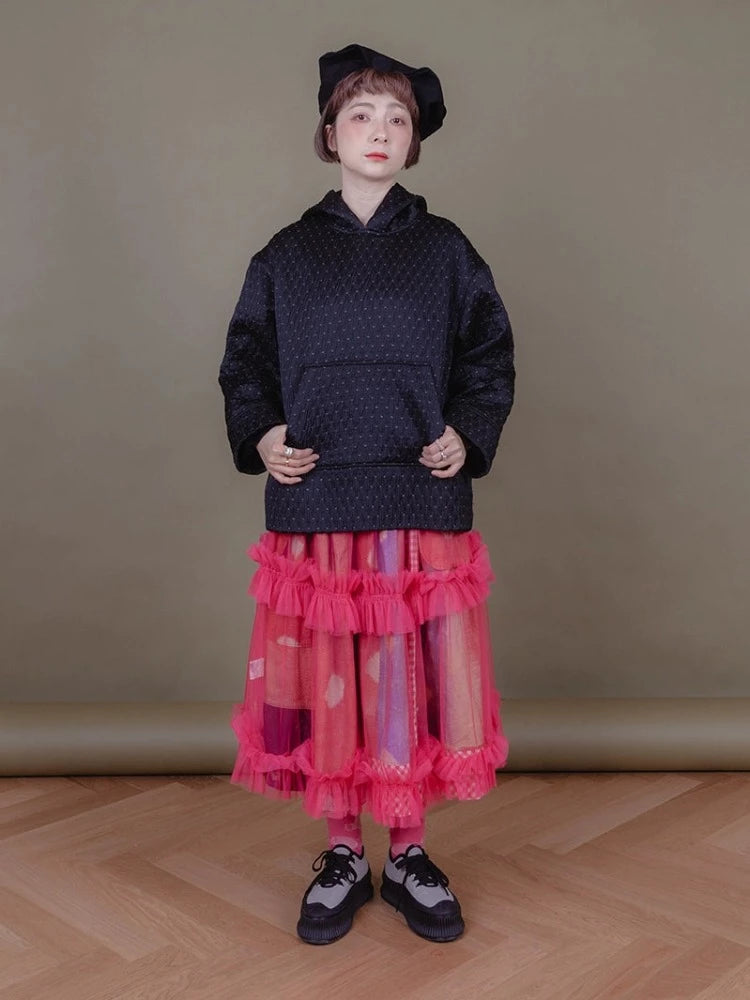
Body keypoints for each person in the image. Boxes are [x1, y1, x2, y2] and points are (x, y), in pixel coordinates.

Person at [218, 42, 515, 945]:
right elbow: (245, 365)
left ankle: (411, 850)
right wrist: (263, 435)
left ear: (414, 140)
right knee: (333, 682)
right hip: (318, 498)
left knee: (406, 682)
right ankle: (344, 849)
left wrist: (468, 431)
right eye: (360, 115)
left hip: (417, 500)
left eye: (397, 119)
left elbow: (488, 357)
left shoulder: (447, 251)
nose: (379, 131)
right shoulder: (286, 255)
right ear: (330, 132)